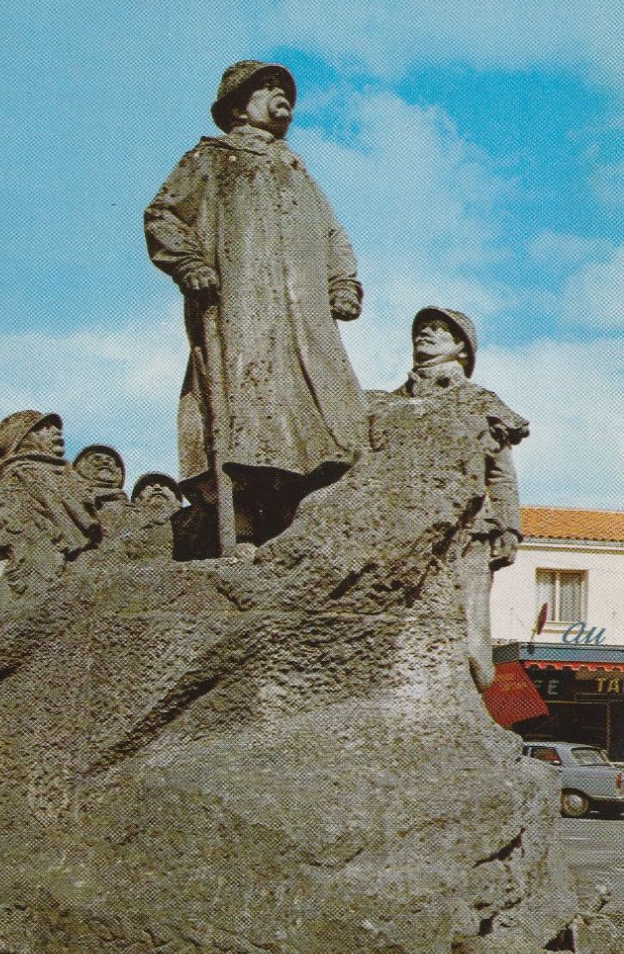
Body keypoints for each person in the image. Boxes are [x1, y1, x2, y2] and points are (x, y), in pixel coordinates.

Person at [145, 60, 368, 550]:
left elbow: (333, 234)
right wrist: (188, 264)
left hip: (304, 321)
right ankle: (240, 524)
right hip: (243, 311)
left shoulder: (298, 172)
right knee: (247, 409)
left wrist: (343, 282)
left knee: (314, 417)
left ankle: (294, 523)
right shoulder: (211, 160)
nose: (280, 94)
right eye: (267, 87)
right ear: (238, 107)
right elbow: (163, 215)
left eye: (284, 88)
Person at [395, 307, 529, 691]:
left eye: (438, 329)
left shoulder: (482, 404)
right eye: (421, 328)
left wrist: (510, 531)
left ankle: (472, 702)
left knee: (469, 633)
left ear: (461, 349)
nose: (426, 333)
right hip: (404, 533)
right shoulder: (389, 403)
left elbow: (501, 475)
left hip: (469, 532)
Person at [0, 411, 100, 617]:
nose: (55, 431)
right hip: (27, 594)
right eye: (43, 428)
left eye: (55, 427)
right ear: (23, 438)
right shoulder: (0, 493)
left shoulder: (72, 481)